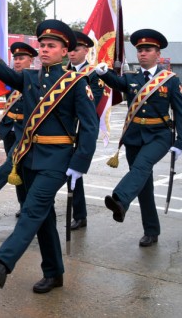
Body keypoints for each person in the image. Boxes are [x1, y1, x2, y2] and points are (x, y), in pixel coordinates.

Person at [0, 19, 98, 293]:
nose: (44, 50)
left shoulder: (77, 82)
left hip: (57, 160)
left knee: (32, 210)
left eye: (51, 46)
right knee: (43, 219)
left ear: (65, 51)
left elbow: (89, 127)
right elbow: (7, 74)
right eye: (41, 45)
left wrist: (80, 163)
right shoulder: (30, 78)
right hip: (29, 157)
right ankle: (54, 273)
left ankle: (2, 264)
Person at [95, 28, 182, 247]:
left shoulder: (170, 80)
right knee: (144, 184)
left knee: (142, 166)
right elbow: (116, 84)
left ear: (158, 53)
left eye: (148, 50)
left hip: (159, 136)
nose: (143, 54)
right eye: (140, 50)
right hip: (134, 136)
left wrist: (181, 142)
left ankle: (119, 199)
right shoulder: (131, 78)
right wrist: (103, 72)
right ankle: (151, 231)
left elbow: (180, 114)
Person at [0, 42, 38, 212]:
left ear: (31, 61)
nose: (17, 61)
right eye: (15, 59)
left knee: (14, 161)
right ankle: (23, 205)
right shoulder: (11, 82)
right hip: (9, 130)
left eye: (22, 58)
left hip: (26, 130)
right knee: (17, 171)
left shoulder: (37, 79)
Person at [64, 30, 104, 231]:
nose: (71, 53)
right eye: (69, 49)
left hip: (81, 127)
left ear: (86, 51)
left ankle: (80, 215)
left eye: (76, 49)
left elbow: (93, 101)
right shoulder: (62, 71)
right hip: (63, 128)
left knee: (74, 172)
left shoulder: (94, 73)